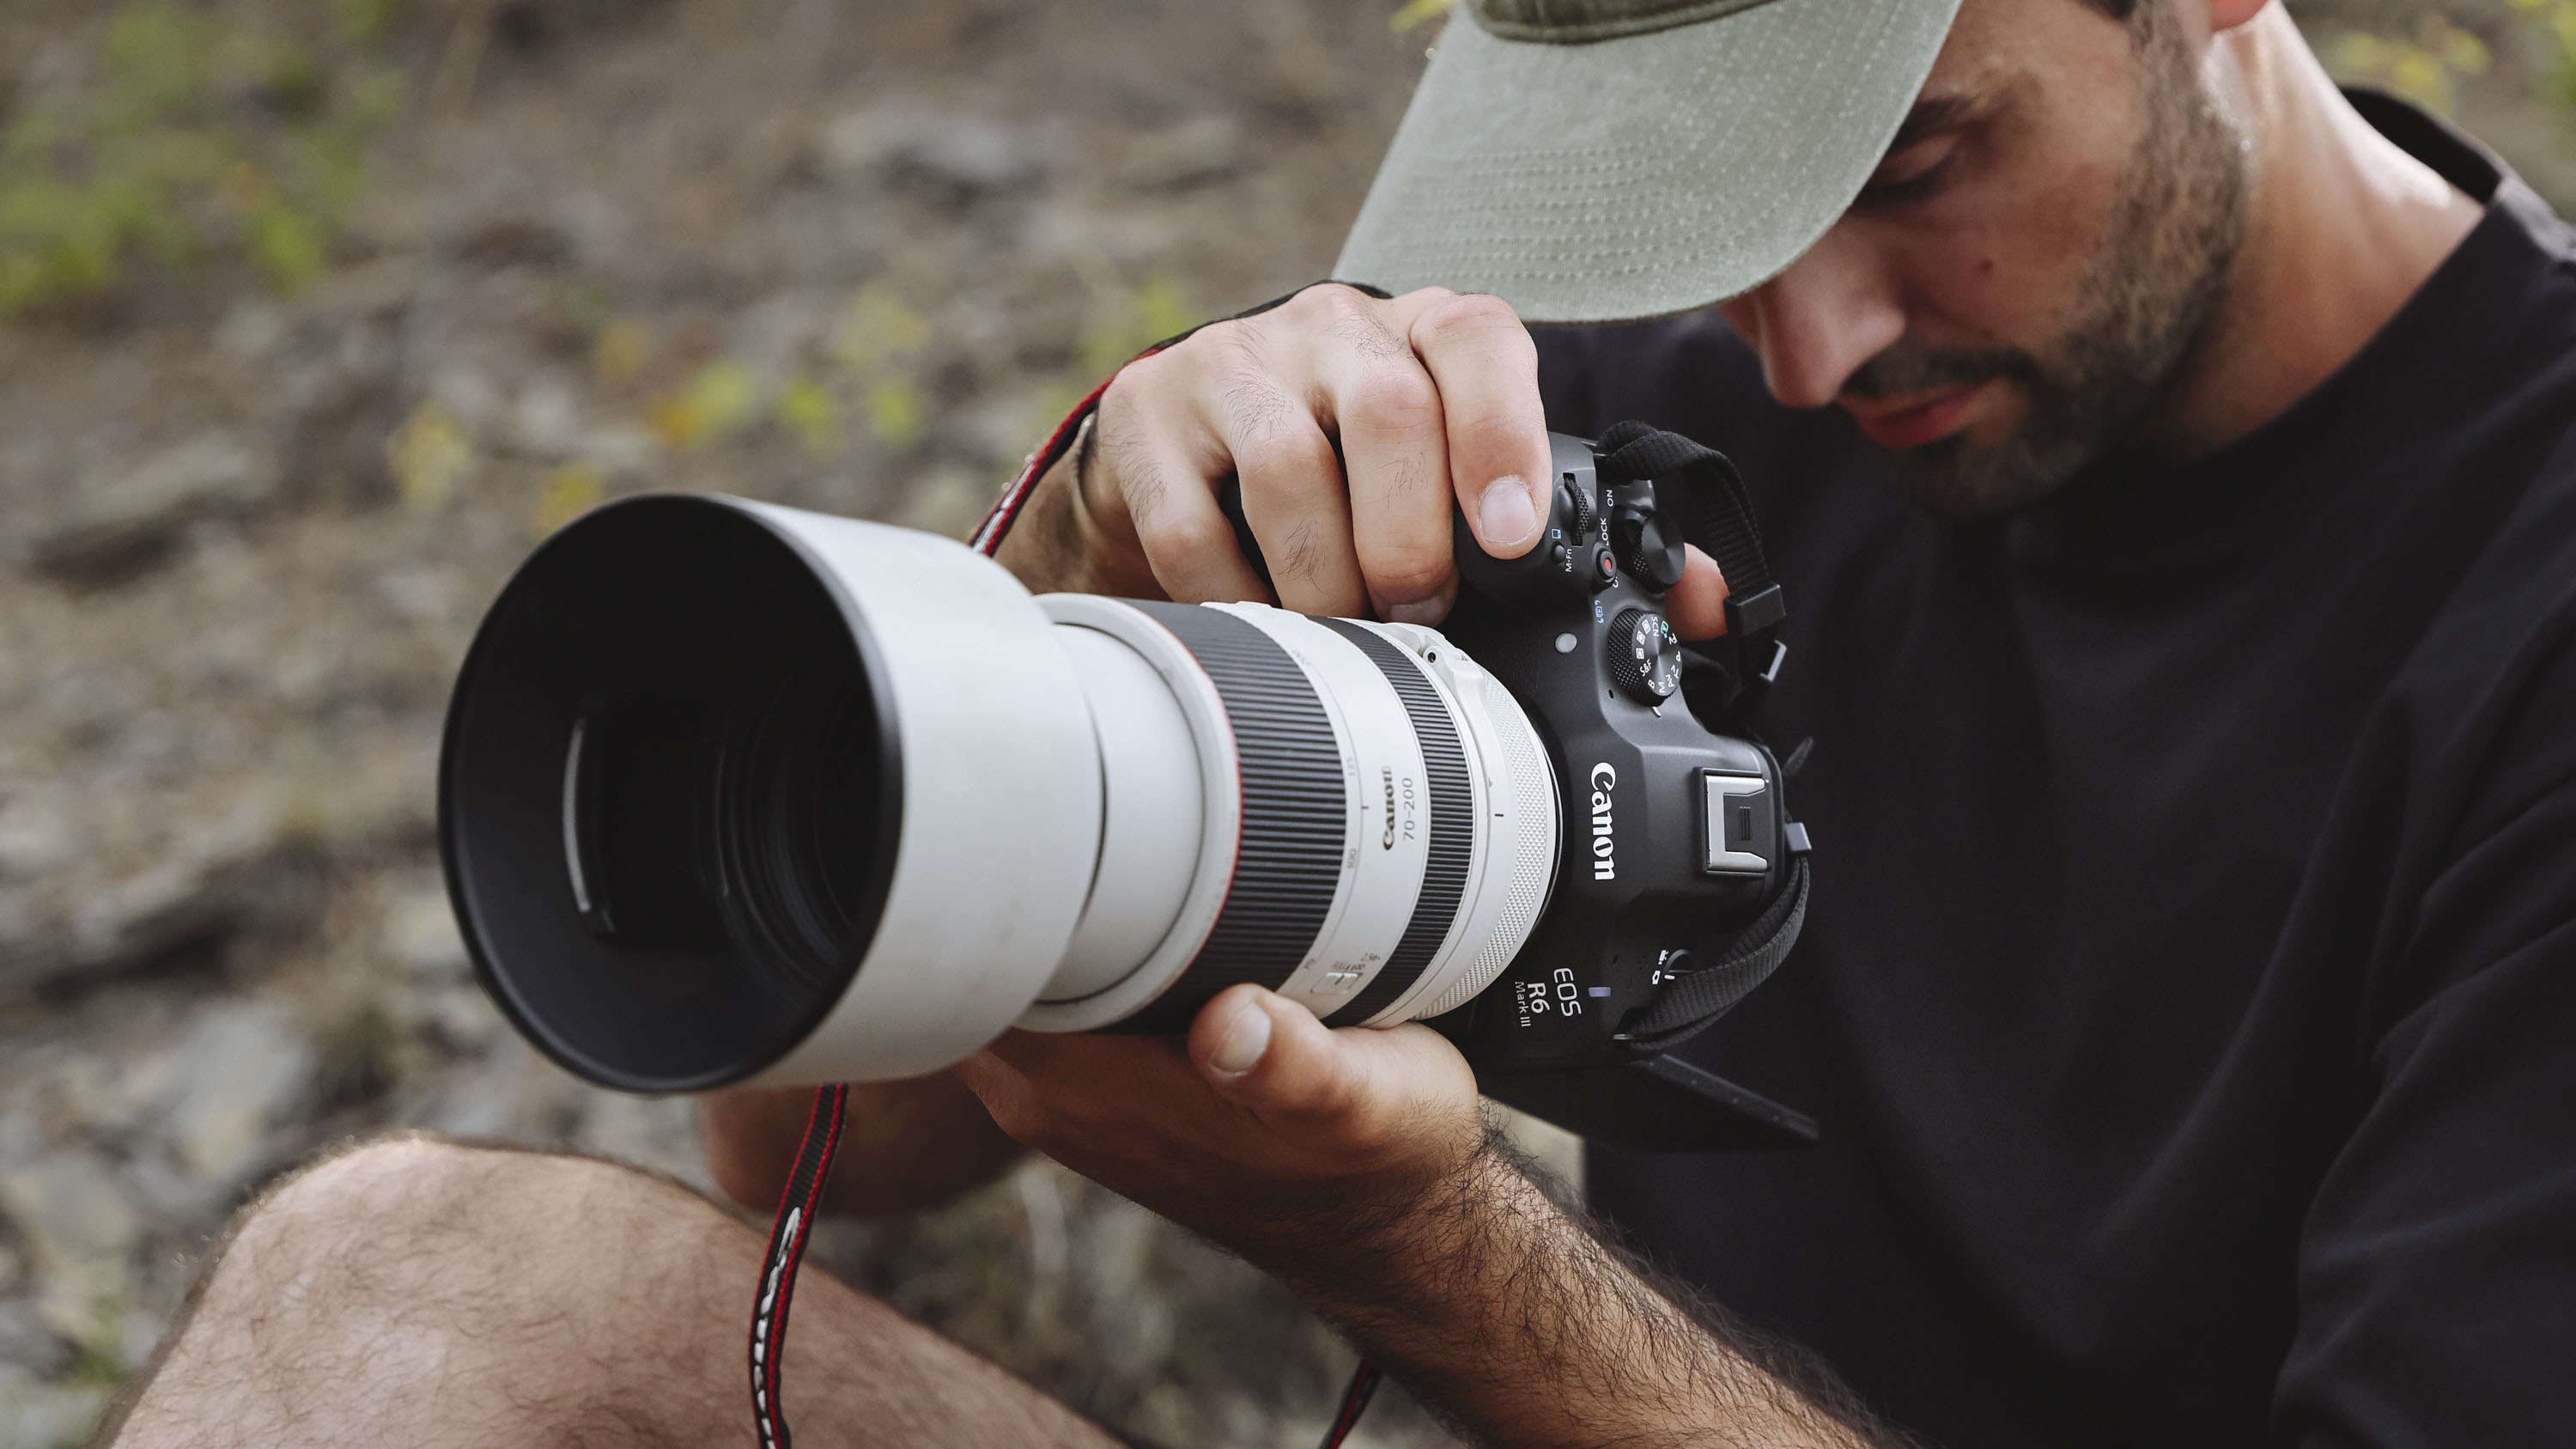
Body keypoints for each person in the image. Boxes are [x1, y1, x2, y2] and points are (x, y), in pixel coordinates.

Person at [96, 0, 2576, 1445]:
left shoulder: (2528, 589)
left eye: (1924, 158)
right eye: (1708, 216)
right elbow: (811, 1153)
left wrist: (1403, 1240)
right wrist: (1059, 633)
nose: (1803, 349)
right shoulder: (1586, 383)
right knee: (397, 1284)